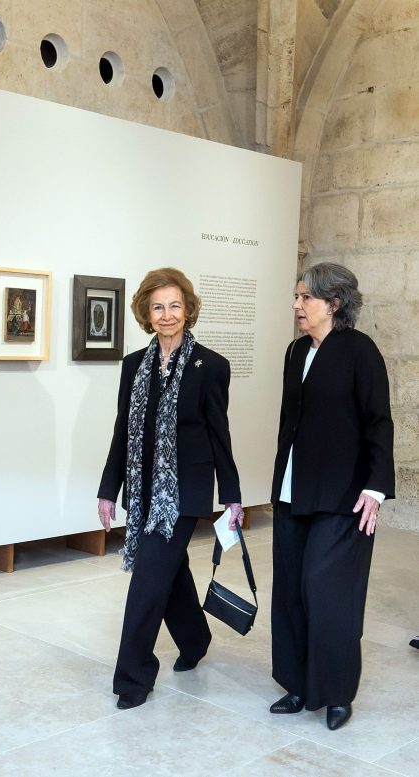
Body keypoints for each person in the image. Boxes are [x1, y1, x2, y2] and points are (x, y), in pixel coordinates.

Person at [97, 267, 242, 710]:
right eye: (158, 307)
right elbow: (123, 431)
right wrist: (108, 490)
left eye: (175, 305)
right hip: (144, 491)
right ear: (146, 313)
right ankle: (195, 639)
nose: (167, 315)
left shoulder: (211, 366)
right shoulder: (133, 365)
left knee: (148, 580)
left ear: (188, 309)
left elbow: (220, 435)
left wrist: (232, 496)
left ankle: (133, 677)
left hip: (184, 492)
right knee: (169, 570)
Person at [268, 262, 394, 732]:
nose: (297, 305)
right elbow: (290, 423)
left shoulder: (361, 352)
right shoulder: (295, 351)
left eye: (306, 297)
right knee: (290, 590)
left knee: (328, 593)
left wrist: (376, 488)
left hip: (345, 496)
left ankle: (336, 692)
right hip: (293, 490)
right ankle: (298, 684)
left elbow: (379, 422)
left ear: (334, 303)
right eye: (297, 296)